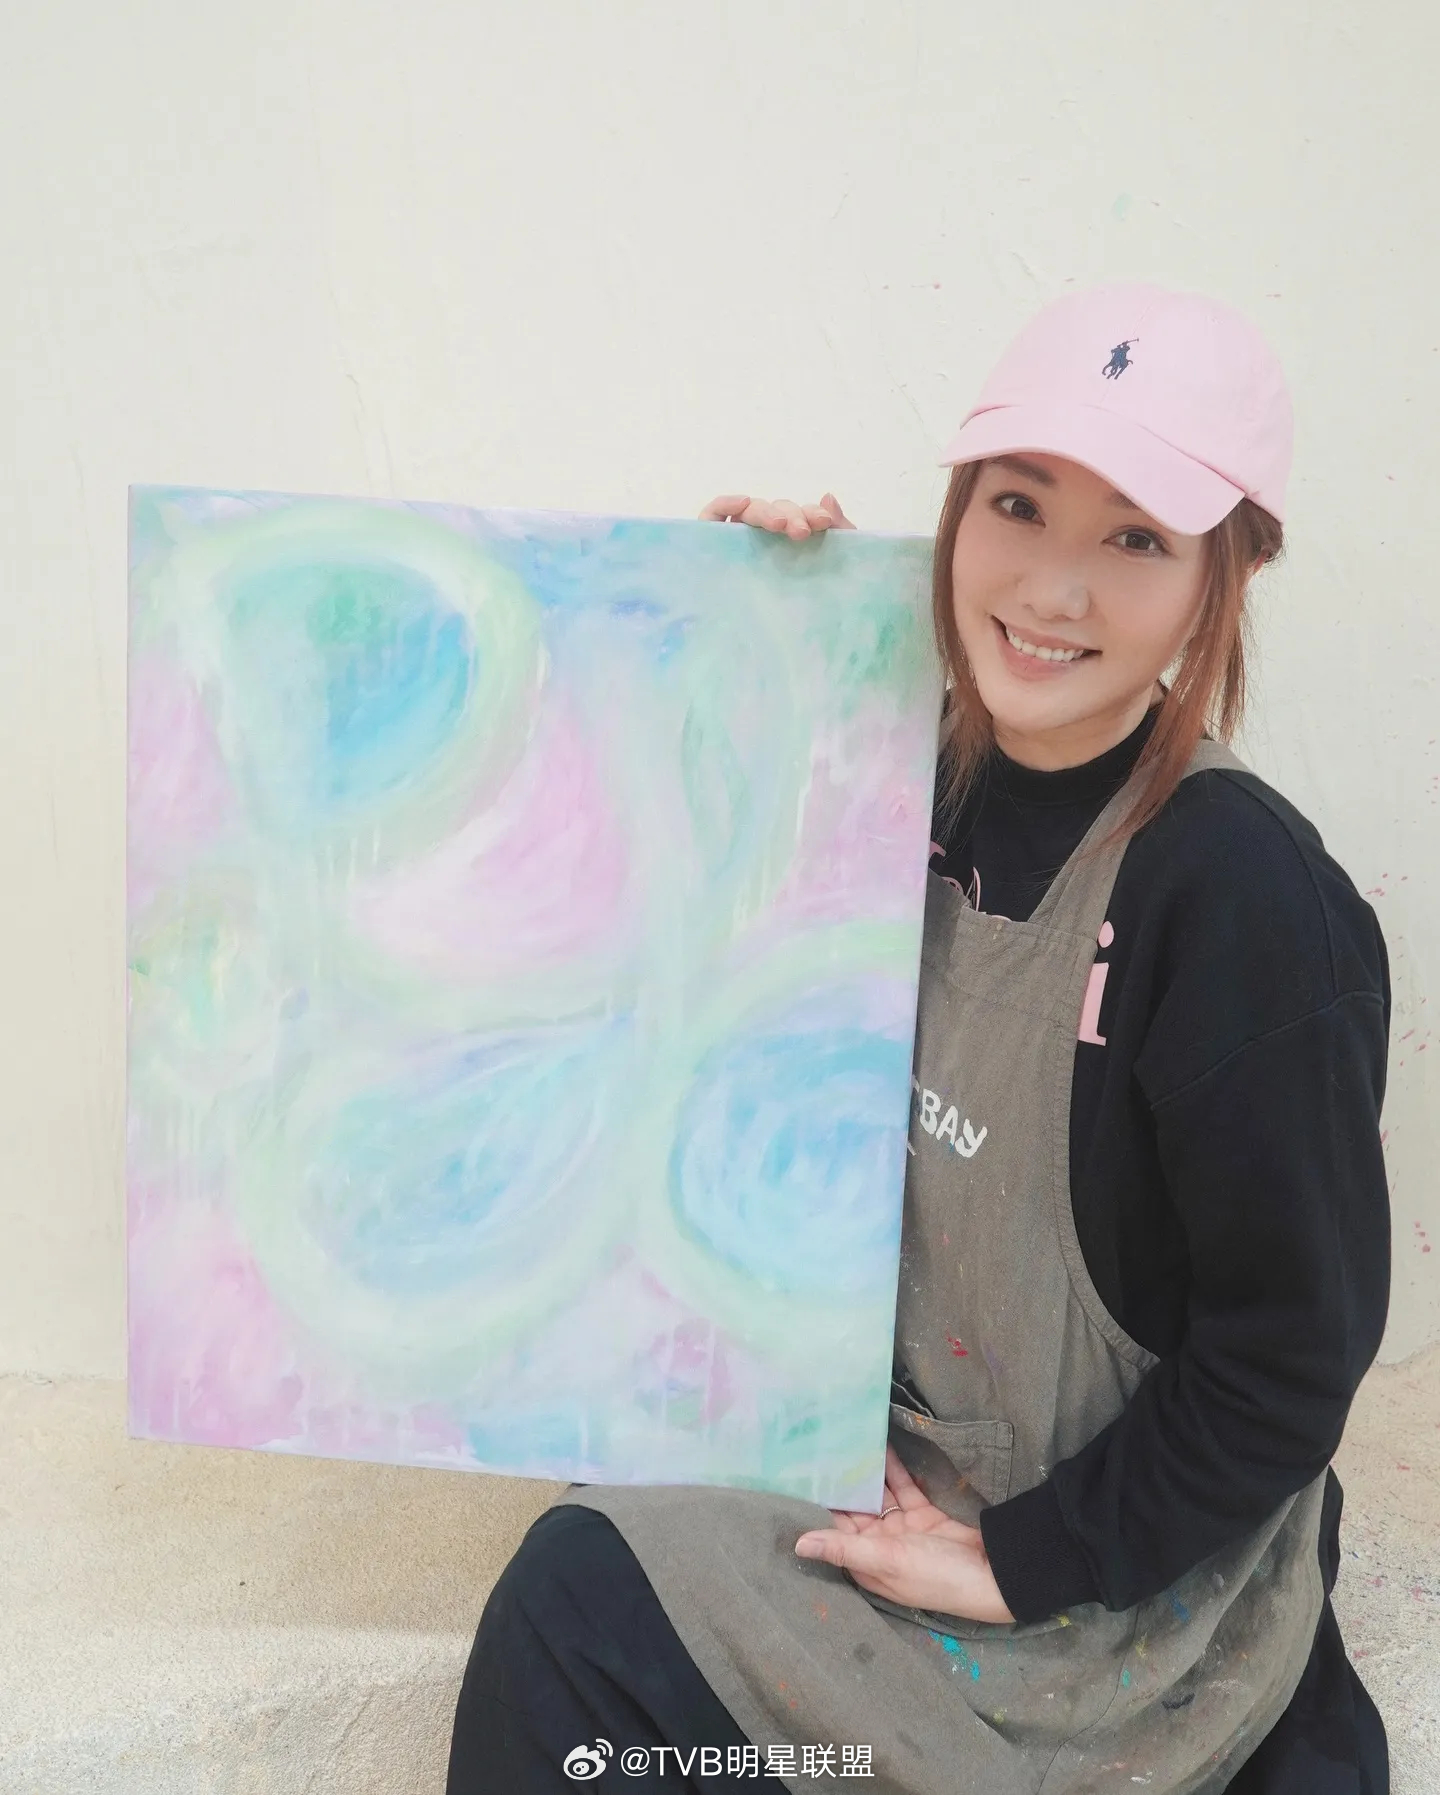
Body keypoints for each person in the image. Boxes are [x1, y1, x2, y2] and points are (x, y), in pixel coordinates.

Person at [447, 284, 1391, 1793]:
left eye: (1137, 539)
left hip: (1113, 1572)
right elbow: (635, 950)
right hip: (878, 1453)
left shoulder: (1244, 903)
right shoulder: (886, 764)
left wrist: (1015, 1563)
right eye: (1019, 505)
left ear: (1230, 573)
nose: (1055, 588)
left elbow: (1287, 1364)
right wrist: (745, 644)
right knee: (570, 1606)